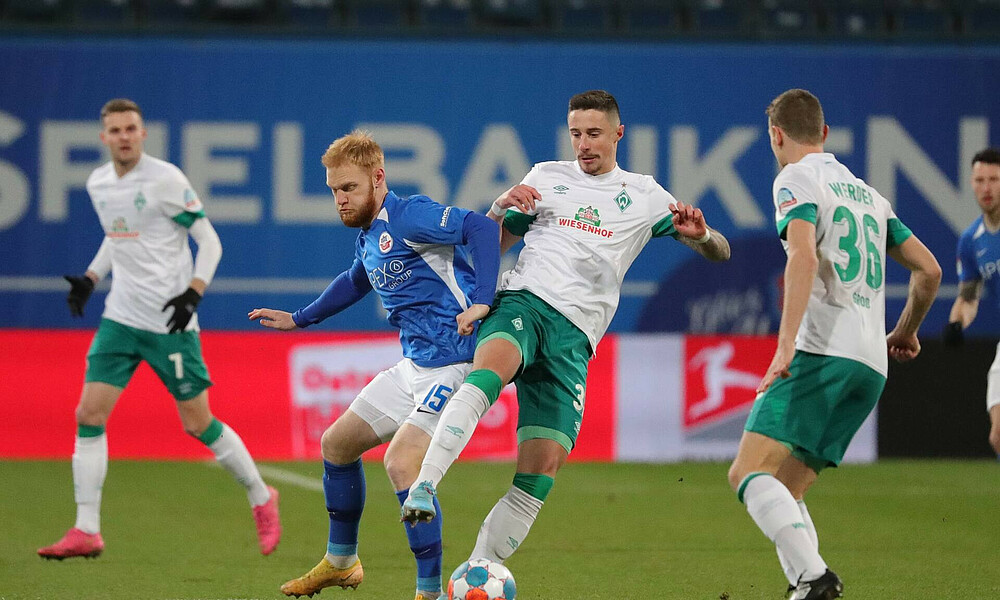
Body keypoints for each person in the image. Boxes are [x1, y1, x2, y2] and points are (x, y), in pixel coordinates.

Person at [400, 90, 731, 566]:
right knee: (488, 375)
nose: (583, 144)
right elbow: (489, 247)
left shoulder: (645, 195)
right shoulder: (545, 177)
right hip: (525, 302)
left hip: (575, 338)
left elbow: (720, 251)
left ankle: (478, 571)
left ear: (618, 134)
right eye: (576, 134)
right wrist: (496, 211)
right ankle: (426, 484)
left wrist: (704, 236)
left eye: (594, 133)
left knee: (541, 469)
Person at [248, 130, 500, 600]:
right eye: (333, 190)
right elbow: (356, 280)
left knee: (401, 464)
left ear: (378, 178)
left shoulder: (411, 215)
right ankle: (342, 561)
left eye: (349, 188)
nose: (340, 200)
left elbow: (481, 229)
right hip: (414, 366)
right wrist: (301, 318)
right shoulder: (370, 234)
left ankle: (430, 592)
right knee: (337, 444)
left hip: (456, 364)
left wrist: (483, 301)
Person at [38, 99, 281, 560]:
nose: (124, 136)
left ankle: (261, 496)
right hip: (121, 318)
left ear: (143, 133)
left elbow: (210, 241)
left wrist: (193, 293)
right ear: (104, 137)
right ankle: (86, 529)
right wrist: (91, 277)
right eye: (115, 130)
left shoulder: (166, 180)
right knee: (89, 414)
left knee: (198, 423)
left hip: (170, 322)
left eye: (131, 128)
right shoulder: (98, 182)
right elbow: (119, 234)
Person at [726, 89, 941, 600]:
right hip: (870, 366)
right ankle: (806, 587)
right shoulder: (870, 196)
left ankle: (815, 579)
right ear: (824, 133)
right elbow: (929, 271)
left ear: (775, 135)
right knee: (787, 486)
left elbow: (802, 257)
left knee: (747, 472)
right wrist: (906, 331)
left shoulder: (794, 179)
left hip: (822, 351)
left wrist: (784, 346)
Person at [943, 148, 1000, 456]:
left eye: (994, 179)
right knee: (998, 435)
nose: (986, 187)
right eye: (980, 180)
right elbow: (968, 298)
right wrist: (957, 323)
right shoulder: (971, 240)